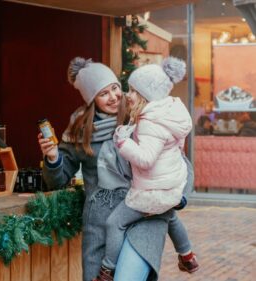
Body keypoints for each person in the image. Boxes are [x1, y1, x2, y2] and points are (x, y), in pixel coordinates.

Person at [38, 57, 193, 281]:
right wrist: (52, 158)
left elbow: (180, 162)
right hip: (100, 224)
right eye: (103, 93)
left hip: (144, 218)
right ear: (92, 99)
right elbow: (57, 181)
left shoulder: (142, 116)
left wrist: (179, 199)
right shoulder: (80, 131)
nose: (114, 97)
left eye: (115, 88)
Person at [95, 57, 198, 281]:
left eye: (128, 90)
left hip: (147, 210)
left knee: (118, 223)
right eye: (104, 93)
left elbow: (166, 161)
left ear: (145, 95)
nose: (122, 94)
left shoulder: (147, 121)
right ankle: (187, 255)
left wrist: (181, 198)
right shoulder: (166, 116)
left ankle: (106, 271)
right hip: (159, 193)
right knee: (169, 215)